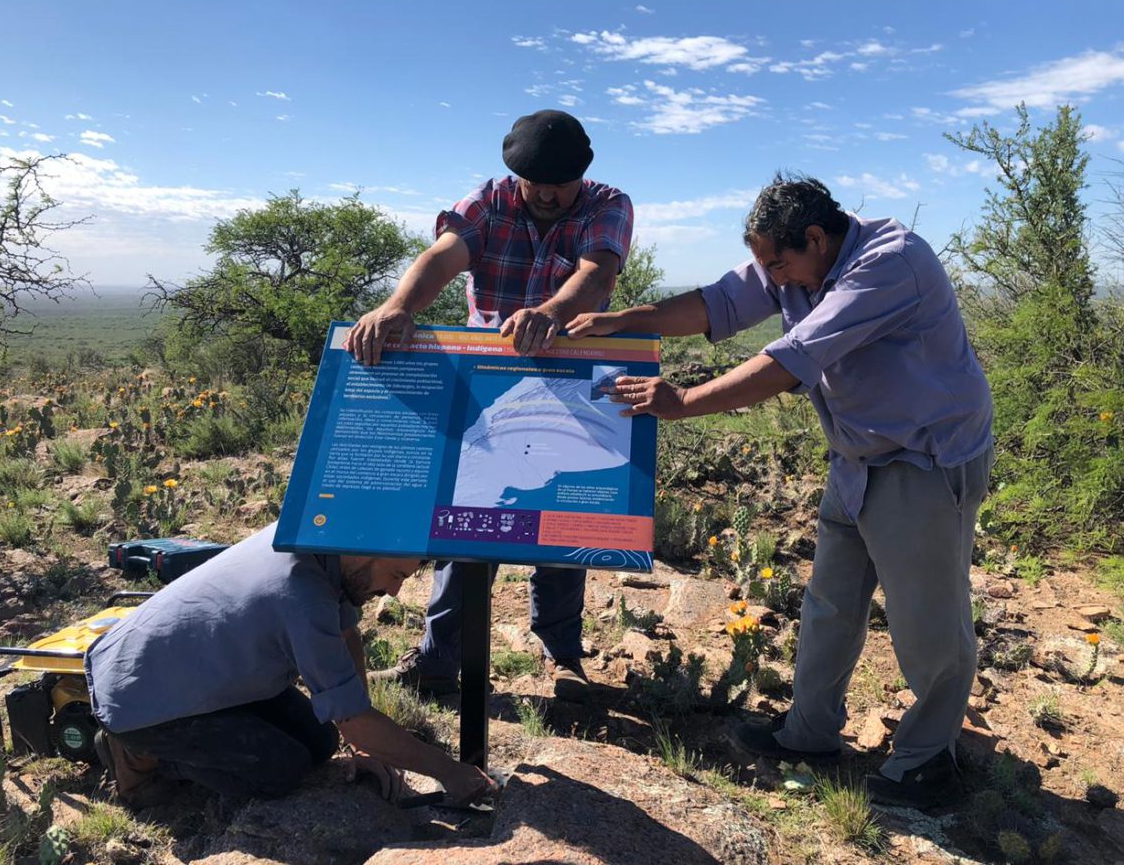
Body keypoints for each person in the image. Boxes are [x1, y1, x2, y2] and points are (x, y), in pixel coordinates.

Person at [567, 173, 993, 809]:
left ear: (816, 238)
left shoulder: (891, 263)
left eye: (777, 264)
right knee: (830, 602)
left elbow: (791, 358)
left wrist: (682, 402)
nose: (772, 276)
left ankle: (928, 762)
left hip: (923, 459)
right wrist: (622, 322)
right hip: (857, 456)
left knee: (927, 616)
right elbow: (716, 305)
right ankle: (809, 734)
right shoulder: (791, 261)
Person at [346, 110, 634, 701]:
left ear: (582, 175)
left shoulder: (606, 204)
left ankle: (563, 659)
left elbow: (598, 273)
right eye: (535, 184)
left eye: (560, 185)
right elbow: (444, 255)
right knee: (472, 516)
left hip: (570, 380)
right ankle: (437, 662)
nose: (547, 195)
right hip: (489, 384)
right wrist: (400, 306)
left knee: (562, 520)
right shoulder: (489, 201)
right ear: (515, 174)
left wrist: (550, 314)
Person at [84, 523, 495, 808]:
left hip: (193, 673)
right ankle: (140, 756)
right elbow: (353, 719)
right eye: (395, 574)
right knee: (280, 770)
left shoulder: (320, 544)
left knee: (320, 742)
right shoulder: (302, 595)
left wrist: (361, 744)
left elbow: (347, 637)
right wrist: (449, 772)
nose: (394, 590)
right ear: (365, 552)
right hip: (137, 697)